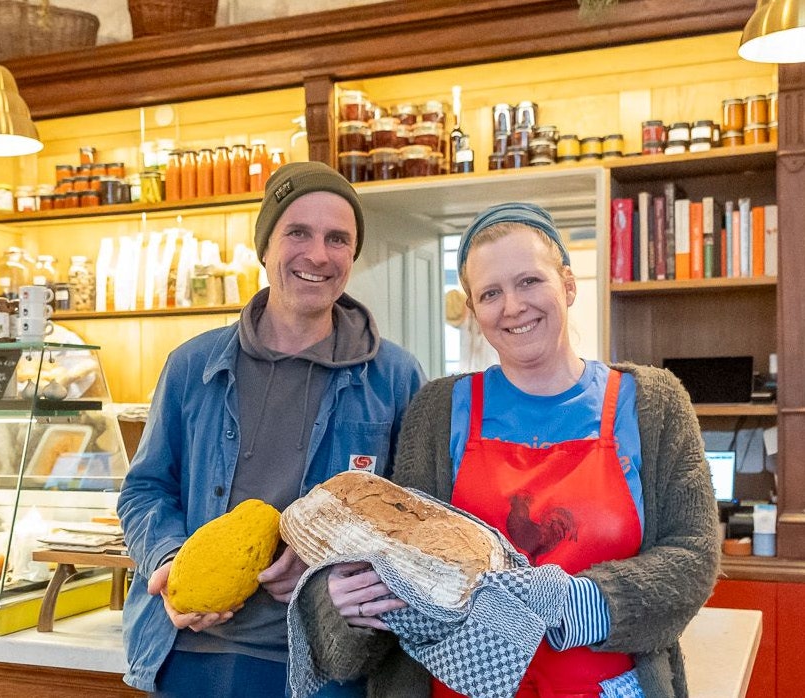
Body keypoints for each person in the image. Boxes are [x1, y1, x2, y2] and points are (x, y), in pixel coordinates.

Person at [299, 202, 720, 697]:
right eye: (491, 293)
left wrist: (567, 603)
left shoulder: (652, 403)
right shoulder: (439, 409)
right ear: (474, 311)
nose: (513, 307)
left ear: (568, 285)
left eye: (529, 281)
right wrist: (344, 602)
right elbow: (401, 558)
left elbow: (692, 555)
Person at [117, 161, 425, 697]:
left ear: (352, 254)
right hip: (195, 653)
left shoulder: (393, 377)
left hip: (332, 661)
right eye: (297, 233)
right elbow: (145, 489)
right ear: (265, 247)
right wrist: (170, 560)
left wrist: (329, 559)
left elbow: (419, 521)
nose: (318, 255)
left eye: (337, 239)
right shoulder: (193, 366)